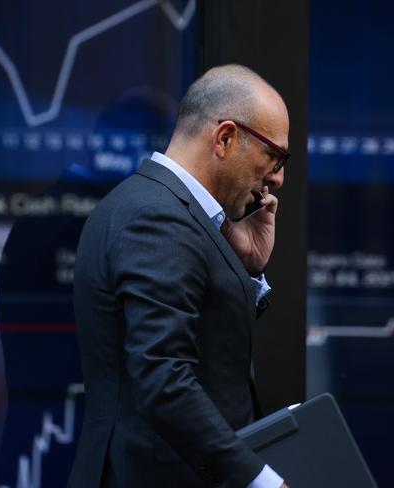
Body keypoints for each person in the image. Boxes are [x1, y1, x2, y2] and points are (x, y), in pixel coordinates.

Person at [68, 64, 291, 488]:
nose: (277, 178)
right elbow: (164, 380)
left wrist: (249, 270)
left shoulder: (160, 208)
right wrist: (260, 480)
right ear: (225, 138)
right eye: (275, 156)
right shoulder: (158, 217)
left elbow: (204, 344)